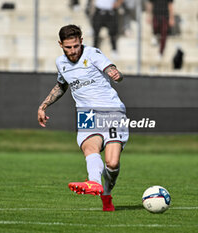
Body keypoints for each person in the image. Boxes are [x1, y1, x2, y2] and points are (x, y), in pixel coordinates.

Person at [37, 24, 129, 212]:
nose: (73, 51)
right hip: (87, 115)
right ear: (60, 44)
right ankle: (93, 182)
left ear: (81, 42)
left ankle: (106, 193)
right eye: (68, 47)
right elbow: (62, 85)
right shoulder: (60, 63)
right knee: (90, 147)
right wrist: (44, 105)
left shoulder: (92, 53)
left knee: (112, 163)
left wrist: (115, 74)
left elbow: (110, 68)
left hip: (111, 111)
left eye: (76, 46)